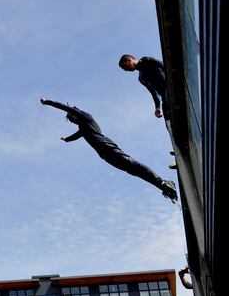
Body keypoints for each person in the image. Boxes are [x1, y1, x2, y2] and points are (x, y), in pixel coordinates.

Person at [39, 98, 178, 202]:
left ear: (76, 113)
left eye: (72, 117)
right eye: (70, 121)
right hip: (104, 154)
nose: (72, 121)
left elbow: (63, 107)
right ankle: (164, 188)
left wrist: (47, 102)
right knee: (132, 171)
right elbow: (77, 136)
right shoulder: (83, 128)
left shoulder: (87, 118)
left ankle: (163, 182)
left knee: (132, 164)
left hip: (107, 146)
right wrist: (67, 140)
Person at [118, 54, 168, 119]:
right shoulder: (141, 78)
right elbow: (154, 93)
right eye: (124, 69)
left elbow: (162, 65)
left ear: (129, 60)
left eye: (125, 66)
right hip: (166, 98)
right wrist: (157, 107)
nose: (125, 70)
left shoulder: (145, 60)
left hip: (171, 86)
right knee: (168, 118)